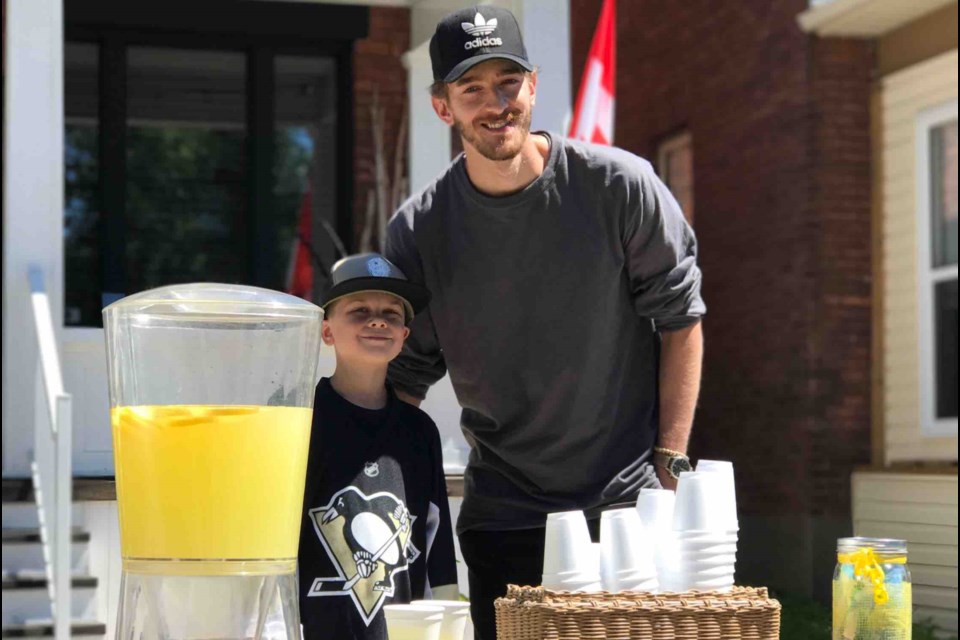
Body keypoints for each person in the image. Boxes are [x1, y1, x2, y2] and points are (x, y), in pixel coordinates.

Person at [384, 5, 706, 639]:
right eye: (471, 87)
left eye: (507, 81)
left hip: (627, 510)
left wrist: (670, 466)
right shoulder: (420, 231)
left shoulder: (620, 186)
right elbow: (403, 379)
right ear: (442, 107)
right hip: (506, 515)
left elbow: (681, 320)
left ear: (533, 85)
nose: (494, 102)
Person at [297, 253, 459, 640]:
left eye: (392, 313)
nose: (377, 320)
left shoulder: (420, 432)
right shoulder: (297, 422)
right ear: (326, 331)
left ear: (404, 336)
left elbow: (437, 548)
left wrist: (450, 626)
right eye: (358, 310)